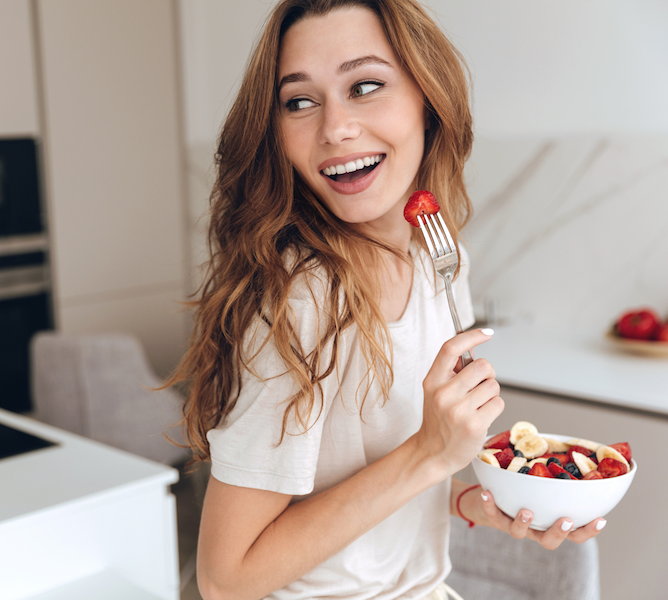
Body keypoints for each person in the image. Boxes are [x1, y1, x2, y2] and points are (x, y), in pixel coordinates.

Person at [165, 1, 605, 598]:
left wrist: (493, 500)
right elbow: (226, 577)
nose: (334, 128)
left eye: (365, 86)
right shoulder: (302, 300)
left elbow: (386, 485)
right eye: (300, 101)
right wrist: (428, 453)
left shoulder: (439, 260)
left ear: (428, 97)